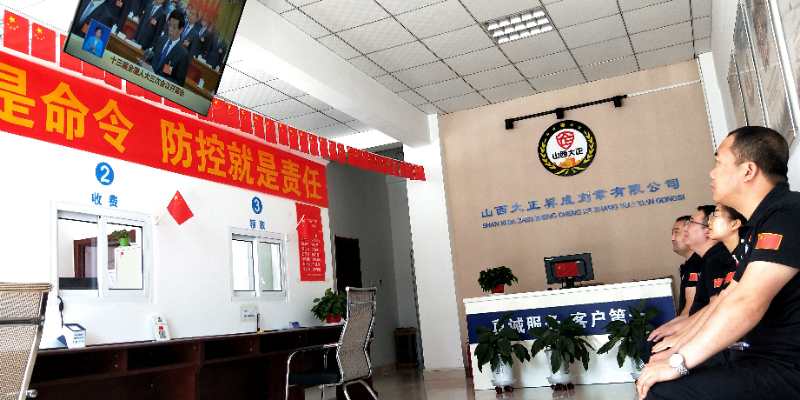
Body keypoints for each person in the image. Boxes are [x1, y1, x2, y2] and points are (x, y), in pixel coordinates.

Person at [637, 126, 800, 400]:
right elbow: (728, 297)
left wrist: (679, 362)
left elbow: (747, 301)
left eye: (719, 163)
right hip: (758, 356)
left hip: (786, 365)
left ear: (748, 171)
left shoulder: (786, 215)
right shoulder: (758, 226)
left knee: (664, 392)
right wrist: (680, 346)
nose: (712, 173)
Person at [147, 9, 189, 86]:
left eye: (174, 27)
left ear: (181, 30)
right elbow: (152, 61)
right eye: (169, 25)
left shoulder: (183, 54)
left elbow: (179, 83)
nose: (170, 29)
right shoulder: (161, 39)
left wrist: (161, 80)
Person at [672, 215, 701, 317]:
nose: (672, 238)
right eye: (672, 233)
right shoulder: (689, 265)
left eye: (676, 232)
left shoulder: (696, 264)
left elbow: (690, 309)